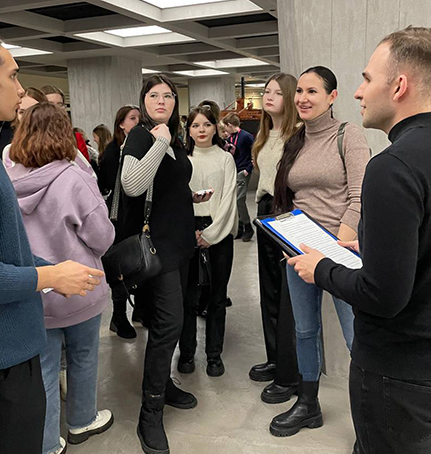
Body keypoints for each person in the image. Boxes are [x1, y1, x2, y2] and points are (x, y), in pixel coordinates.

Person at [0, 23, 102, 454]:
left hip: (3, 351)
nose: (21, 88)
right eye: (11, 75)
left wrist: (50, 268)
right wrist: (50, 277)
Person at [287, 27, 431, 454]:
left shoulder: (392, 166)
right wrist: (371, 249)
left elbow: (383, 296)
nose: (358, 91)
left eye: (367, 79)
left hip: (400, 372)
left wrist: (323, 268)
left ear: (399, 86)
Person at [5, 102, 115, 454]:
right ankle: (83, 420)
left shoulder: (4, 175)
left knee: (44, 371)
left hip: (33, 288)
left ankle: (48, 444)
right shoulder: (73, 177)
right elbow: (102, 237)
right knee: (83, 356)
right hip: (80, 286)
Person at [269, 66, 370, 437]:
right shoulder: (295, 140)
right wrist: (287, 241)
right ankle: (308, 404)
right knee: (305, 331)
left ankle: (371, 418)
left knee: (356, 336)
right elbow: (290, 198)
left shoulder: (348, 135)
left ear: (332, 96)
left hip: (340, 252)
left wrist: (333, 250)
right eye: (299, 91)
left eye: (312, 91)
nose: (302, 98)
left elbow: (359, 196)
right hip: (299, 252)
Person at [121, 75, 210, 454]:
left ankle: (165, 386)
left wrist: (190, 196)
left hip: (181, 244)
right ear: (143, 101)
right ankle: (150, 412)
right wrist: (158, 142)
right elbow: (132, 185)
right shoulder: (142, 136)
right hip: (158, 252)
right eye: (154, 95)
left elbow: (166, 186)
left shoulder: (173, 139)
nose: (162, 101)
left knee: (175, 319)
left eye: (169, 95)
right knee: (168, 323)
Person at [248, 74, 301, 405]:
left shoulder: (298, 135)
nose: (268, 97)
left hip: (287, 212)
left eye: (277, 93)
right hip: (265, 209)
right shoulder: (265, 134)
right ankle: (275, 357)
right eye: (266, 91)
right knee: (269, 289)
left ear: (290, 98)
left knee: (288, 297)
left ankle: (290, 372)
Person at [177, 105, 238, 378]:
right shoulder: (182, 159)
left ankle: (214, 355)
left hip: (219, 234)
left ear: (216, 128)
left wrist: (211, 235)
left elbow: (228, 201)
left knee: (216, 298)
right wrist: (188, 232)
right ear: (188, 131)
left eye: (206, 124)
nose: (201, 130)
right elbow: (176, 199)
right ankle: (187, 354)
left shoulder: (225, 159)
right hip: (186, 232)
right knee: (188, 299)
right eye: (195, 126)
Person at [98, 105, 141, 339]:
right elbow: (107, 183)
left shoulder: (144, 146)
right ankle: (119, 315)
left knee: (141, 262)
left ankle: (140, 310)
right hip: (119, 217)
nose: (137, 122)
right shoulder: (113, 151)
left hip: (138, 215)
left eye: (139, 118)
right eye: (132, 119)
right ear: (121, 124)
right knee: (120, 266)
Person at [222, 112, 255, 241]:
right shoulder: (230, 137)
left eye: (226, 126)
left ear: (230, 125)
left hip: (242, 170)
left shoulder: (246, 136)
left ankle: (248, 226)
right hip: (233, 171)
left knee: (239, 200)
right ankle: (240, 227)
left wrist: (248, 169)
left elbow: (255, 151)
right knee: (234, 201)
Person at [0, 86, 46, 157]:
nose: (27, 117)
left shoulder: (55, 142)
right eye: (22, 112)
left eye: (33, 111)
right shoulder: (5, 140)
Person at [42, 84, 91, 162]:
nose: (56, 108)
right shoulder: (31, 138)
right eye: (50, 104)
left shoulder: (75, 138)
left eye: (60, 104)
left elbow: (85, 166)